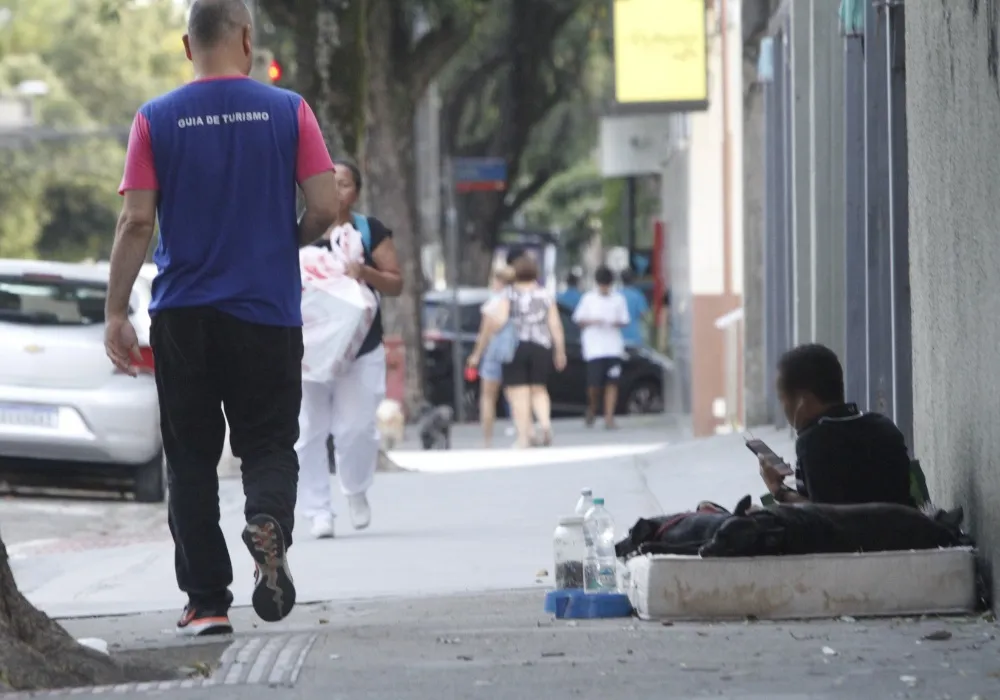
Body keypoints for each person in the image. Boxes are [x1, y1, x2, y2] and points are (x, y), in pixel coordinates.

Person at [104, 0, 338, 636]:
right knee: (267, 442)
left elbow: (136, 221)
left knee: (190, 459)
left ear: (187, 47)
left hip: (184, 316)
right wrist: (281, 238)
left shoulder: (154, 118)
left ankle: (207, 601)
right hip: (265, 312)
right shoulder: (289, 110)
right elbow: (323, 206)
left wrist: (115, 310)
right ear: (246, 38)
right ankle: (266, 519)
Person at [296, 159, 402, 539]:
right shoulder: (294, 231)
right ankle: (317, 511)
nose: (335, 190)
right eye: (327, 182)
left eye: (343, 184)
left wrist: (366, 273)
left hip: (360, 346)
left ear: (355, 191)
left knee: (356, 429)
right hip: (307, 349)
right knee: (308, 431)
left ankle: (355, 488)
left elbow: (395, 283)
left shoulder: (368, 231)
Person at [758, 344, 914, 506]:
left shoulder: (813, 443)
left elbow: (825, 518)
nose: (782, 408)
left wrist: (778, 490)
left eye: (782, 399)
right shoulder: (884, 425)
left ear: (803, 401)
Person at [483, 255, 566, 448]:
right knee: (539, 389)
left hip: (516, 346)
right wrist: (559, 350)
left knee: (518, 392)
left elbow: (501, 320)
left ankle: (524, 437)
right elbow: (555, 324)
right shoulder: (545, 295)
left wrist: (490, 329)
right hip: (541, 345)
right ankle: (544, 424)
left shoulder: (509, 294)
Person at [573, 266, 630, 429]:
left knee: (612, 383)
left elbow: (625, 320)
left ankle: (609, 417)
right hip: (594, 349)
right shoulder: (588, 299)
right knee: (594, 385)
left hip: (613, 347)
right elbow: (578, 320)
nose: (605, 288)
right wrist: (593, 321)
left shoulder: (618, 299)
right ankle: (592, 408)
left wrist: (614, 322)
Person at [467, 265, 515, 447]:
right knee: (516, 394)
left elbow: (485, 331)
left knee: (488, 396)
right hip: (515, 352)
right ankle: (523, 432)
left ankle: (487, 440)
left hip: (495, 352)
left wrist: (476, 355)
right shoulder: (518, 298)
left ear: (499, 281)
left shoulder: (494, 302)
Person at [619, 269, 650, 346]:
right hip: (634, 336)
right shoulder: (637, 295)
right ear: (633, 279)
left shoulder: (616, 295)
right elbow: (644, 314)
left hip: (618, 337)